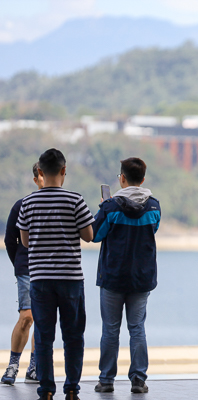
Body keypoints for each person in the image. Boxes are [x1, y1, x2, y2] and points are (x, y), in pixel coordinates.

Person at [17, 149, 94, 400]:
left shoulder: (28, 203)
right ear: (64, 171)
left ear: (39, 171)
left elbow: (25, 242)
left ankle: (46, 390)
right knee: (73, 336)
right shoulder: (75, 200)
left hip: (40, 280)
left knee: (44, 337)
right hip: (70, 279)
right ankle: (71, 388)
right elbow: (88, 236)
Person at [91, 157, 161, 394]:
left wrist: (103, 207)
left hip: (113, 277)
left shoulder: (110, 207)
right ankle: (138, 380)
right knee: (137, 328)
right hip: (142, 279)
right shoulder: (154, 206)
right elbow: (154, 229)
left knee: (110, 329)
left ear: (122, 178)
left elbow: (95, 235)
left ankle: (107, 380)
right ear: (142, 179)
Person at [1, 162, 44, 386]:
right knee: (26, 316)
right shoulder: (22, 205)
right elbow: (10, 240)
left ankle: (35, 365)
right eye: (40, 176)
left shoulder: (60, 203)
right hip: (27, 268)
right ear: (35, 179)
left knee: (42, 320)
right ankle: (13, 364)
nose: (44, 179)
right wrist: (19, 265)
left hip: (50, 268)